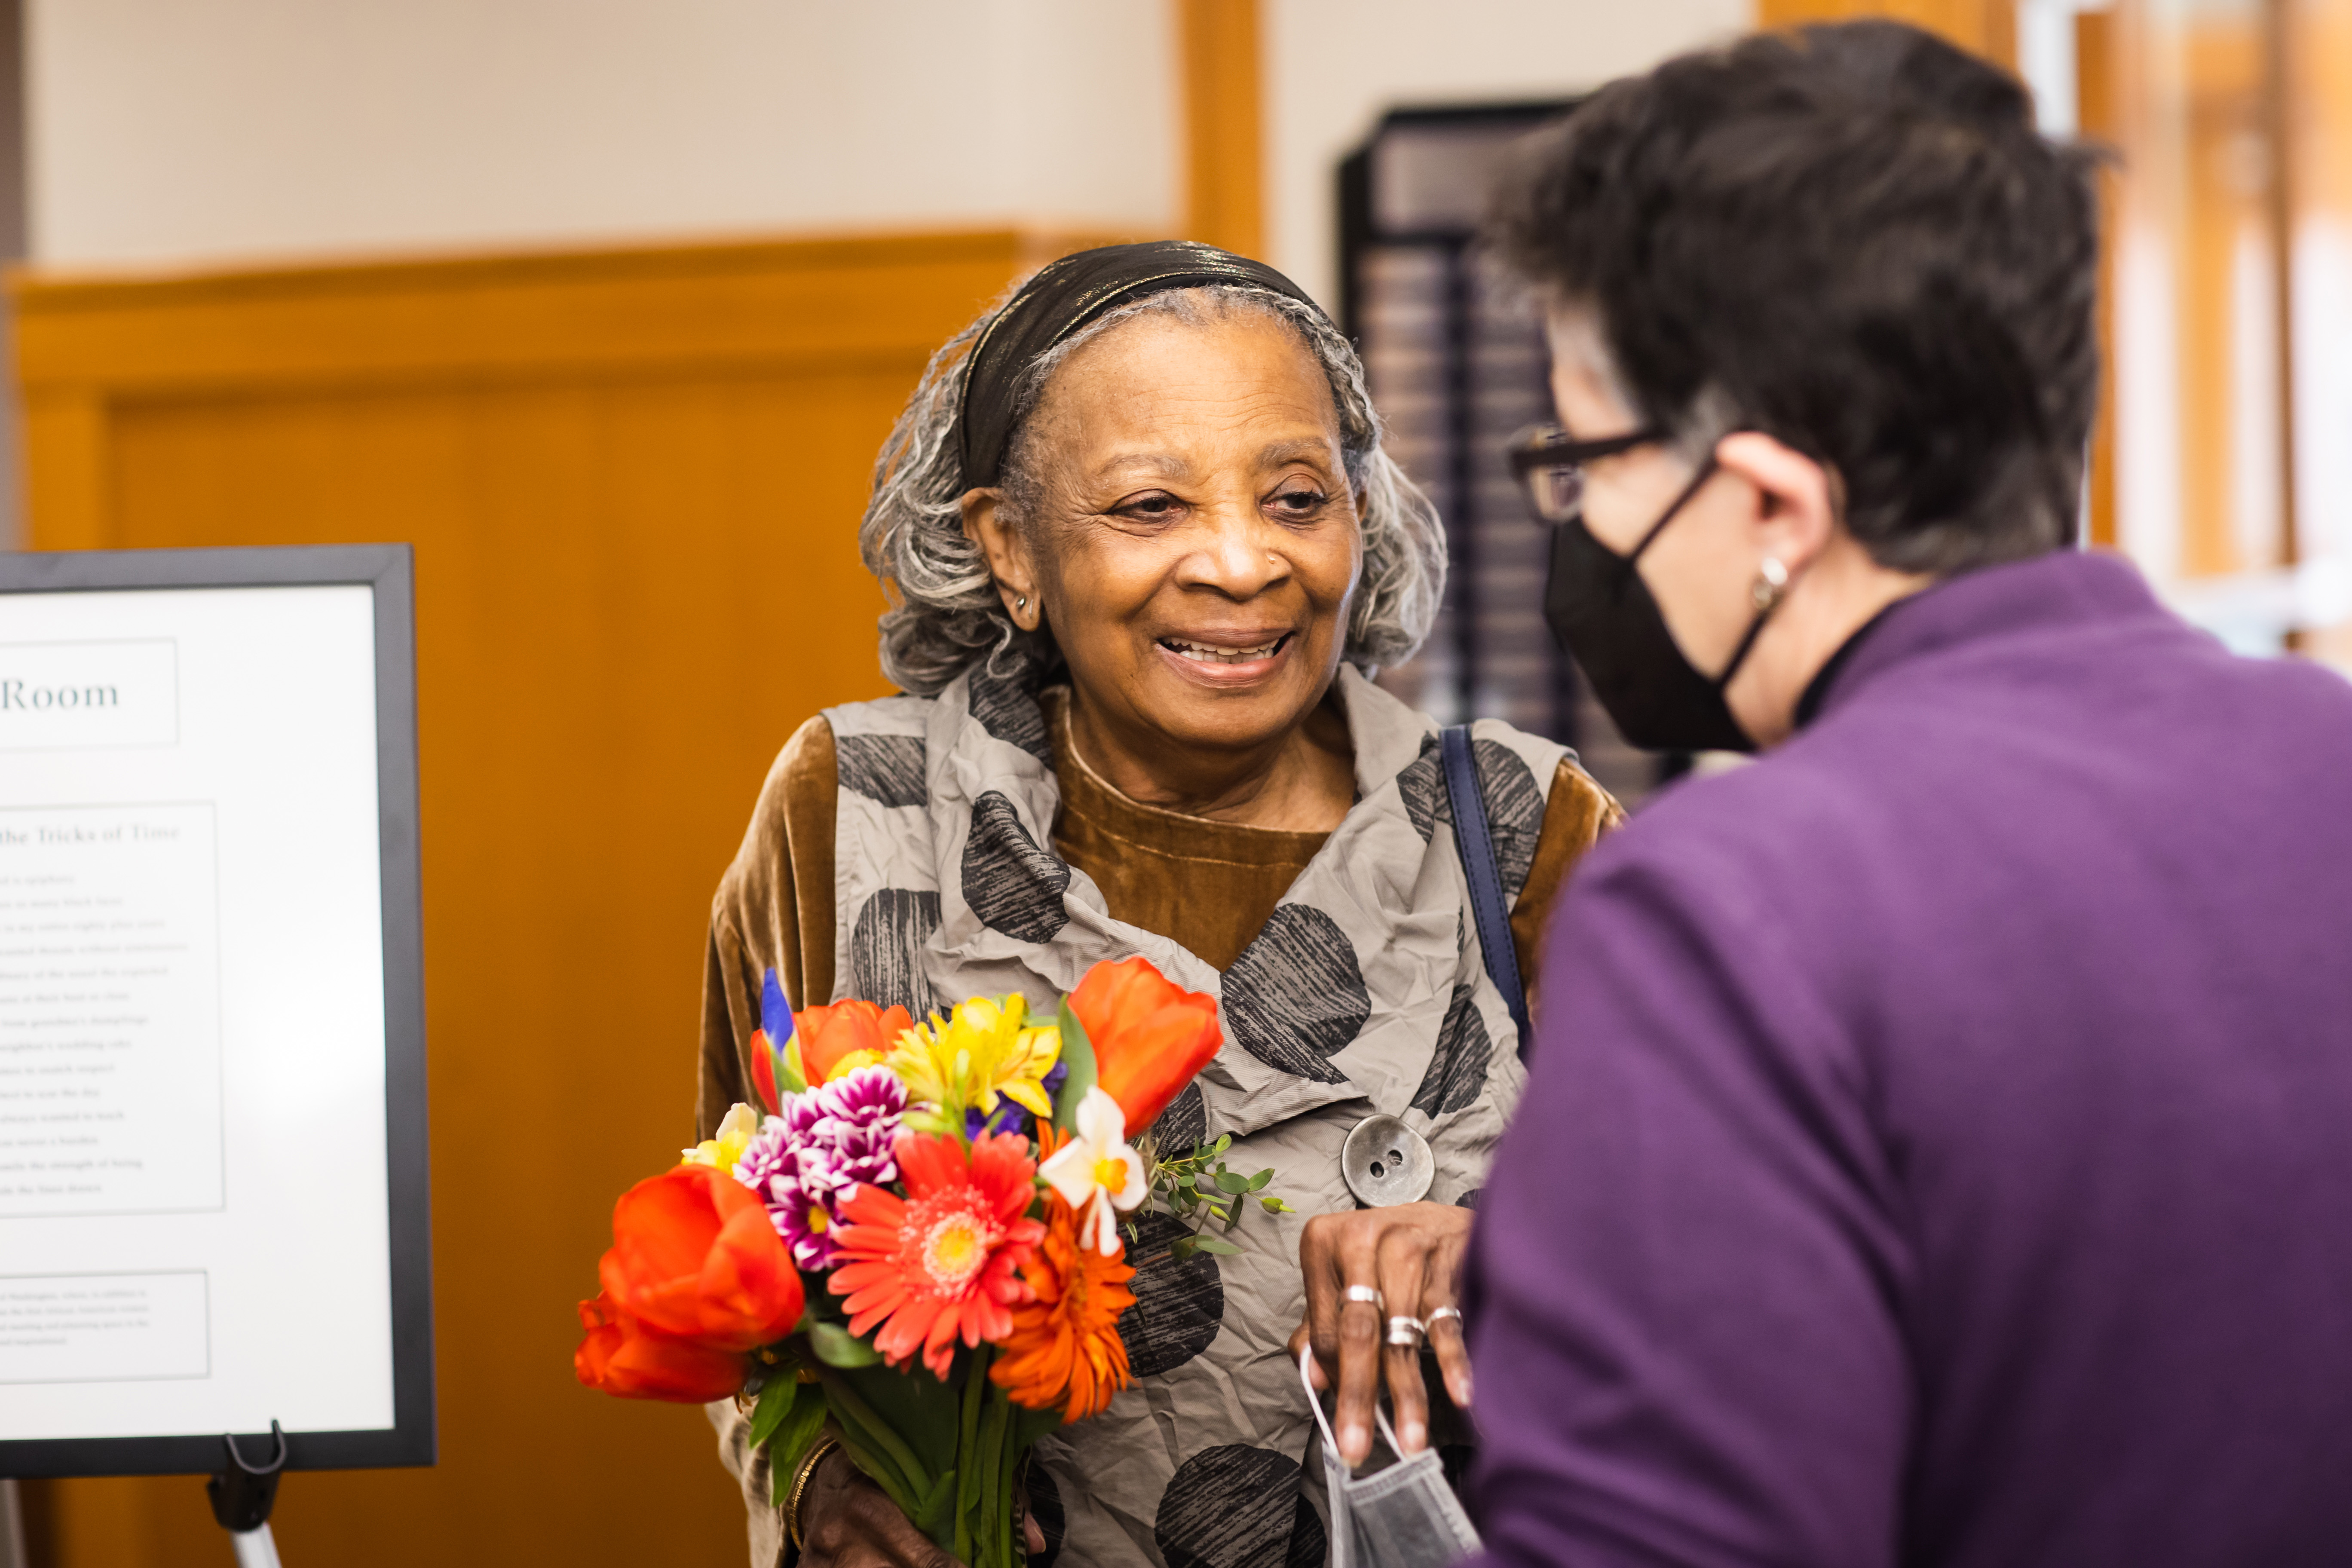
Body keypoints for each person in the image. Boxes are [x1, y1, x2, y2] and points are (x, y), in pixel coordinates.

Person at [1421, 20, 2352, 1568]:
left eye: (1585, 464)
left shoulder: (1731, 909)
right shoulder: (2324, 749)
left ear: (1773, 501)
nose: (1577, 521)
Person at [696, 241, 1621, 1568]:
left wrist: (1515, 1255)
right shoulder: (856, 811)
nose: (1245, 565)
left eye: (1297, 497)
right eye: (1148, 508)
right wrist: (827, 1484)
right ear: (1008, 549)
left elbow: (1720, 1259)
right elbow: (735, 1278)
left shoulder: (1522, 829)